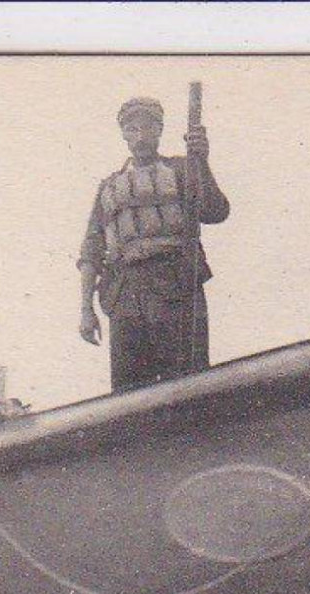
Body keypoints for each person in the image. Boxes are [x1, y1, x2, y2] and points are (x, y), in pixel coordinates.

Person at [78, 96, 230, 393]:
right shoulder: (108, 187)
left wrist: (202, 160)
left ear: (160, 130)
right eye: (132, 129)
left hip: (175, 289)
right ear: (123, 134)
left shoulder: (182, 169)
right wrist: (86, 310)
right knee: (128, 393)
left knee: (189, 385)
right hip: (125, 296)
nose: (140, 136)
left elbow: (216, 211)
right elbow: (90, 253)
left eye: (148, 128)